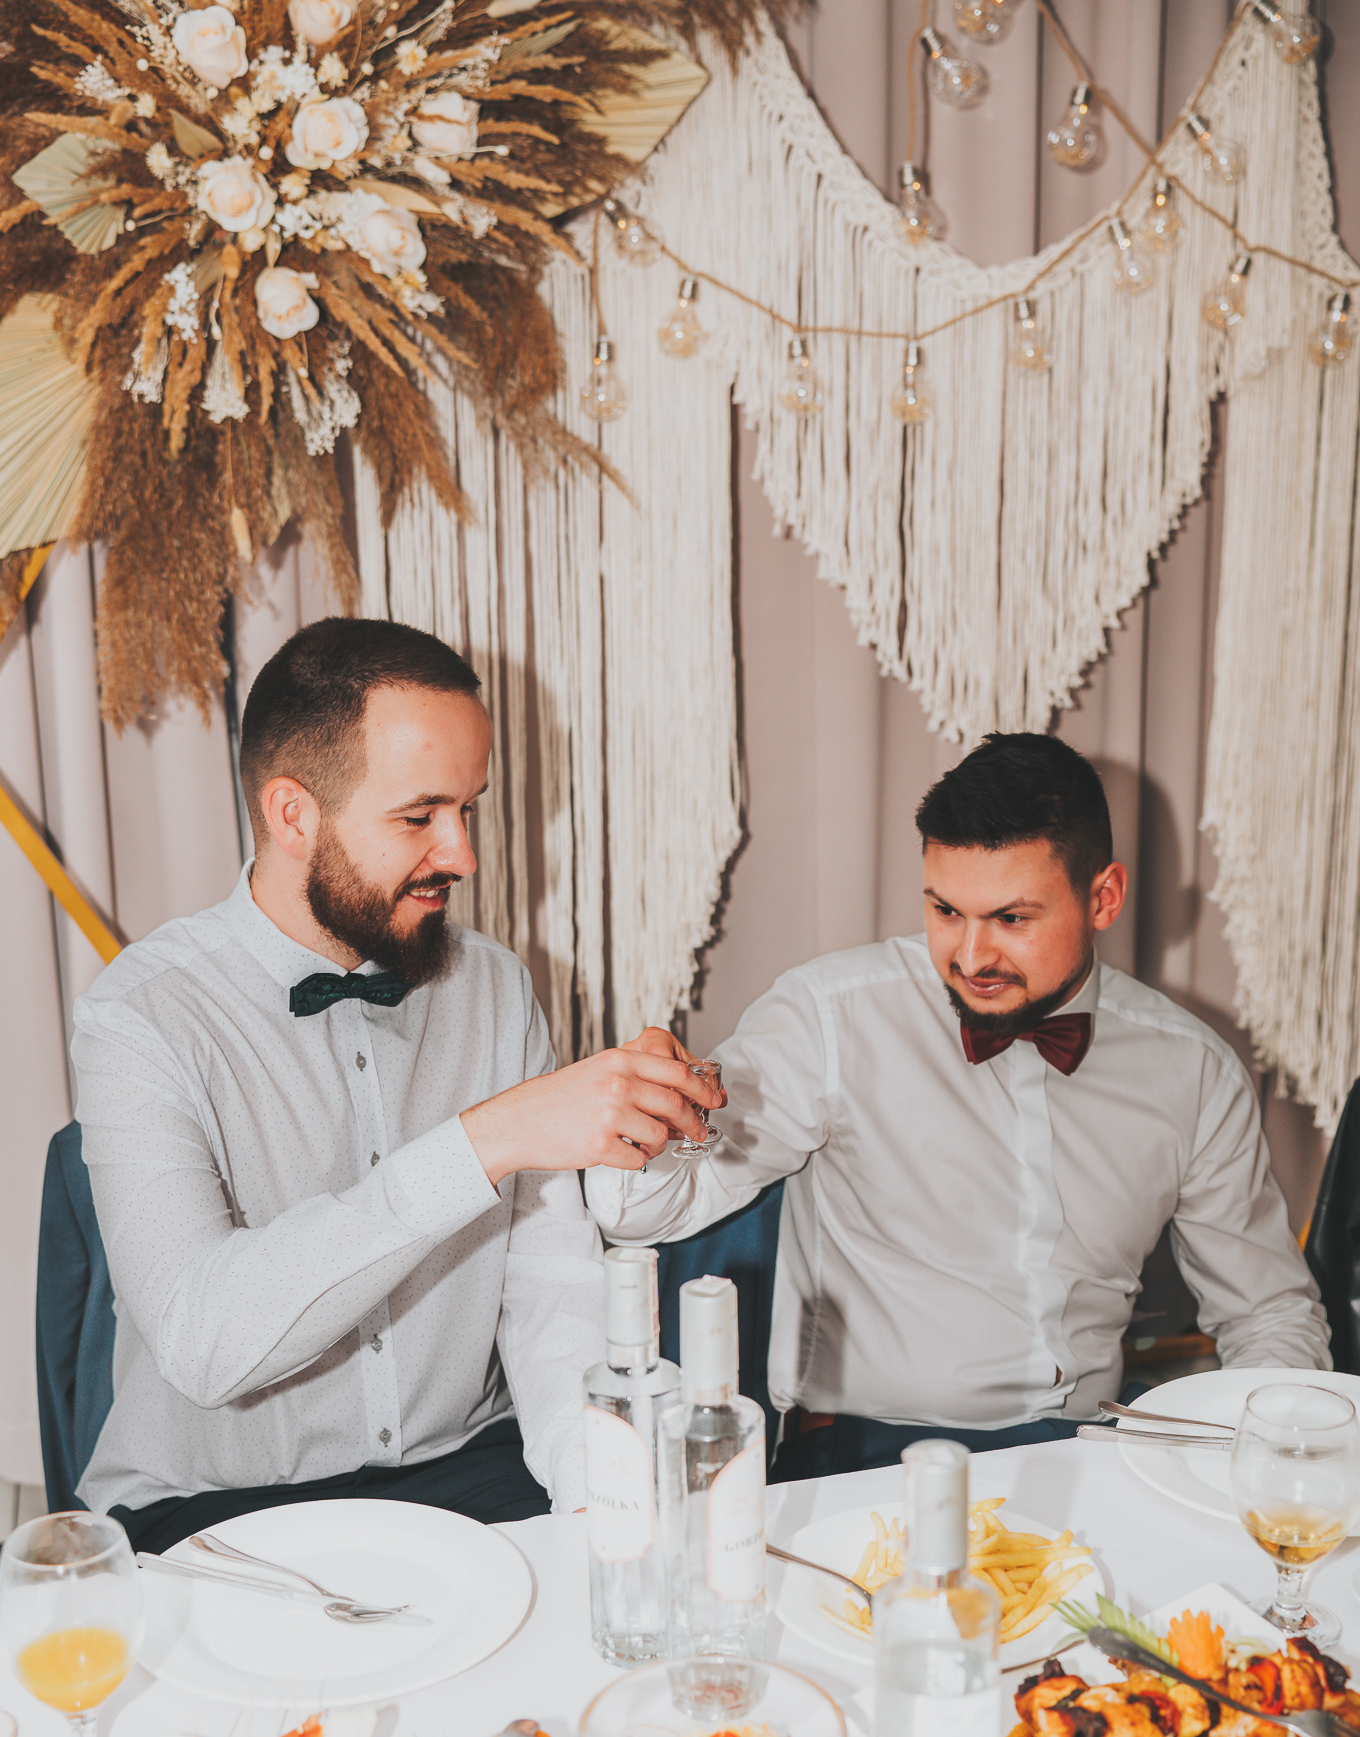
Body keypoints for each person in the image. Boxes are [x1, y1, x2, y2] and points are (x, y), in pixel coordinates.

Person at [70, 618, 718, 1550]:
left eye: (468, 810)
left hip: (471, 1469)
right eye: (419, 817)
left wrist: (592, 1508)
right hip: (216, 1508)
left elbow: (546, 1287)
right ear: (293, 815)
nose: (462, 856)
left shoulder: (495, 987)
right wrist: (485, 1141)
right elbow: (202, 1342)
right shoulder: (139, 1017)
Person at [586, 732, 1329, 1480]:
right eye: (946, 910)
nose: (971, 957)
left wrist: (1276, 1462)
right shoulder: (829, 1018)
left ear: (1103, 897)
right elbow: (638, 1213)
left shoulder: (1194, 1069)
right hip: (866, 1456)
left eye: (1012, 919)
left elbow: (1268, 1311)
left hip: (1089, 1452)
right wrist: (644, 1110)